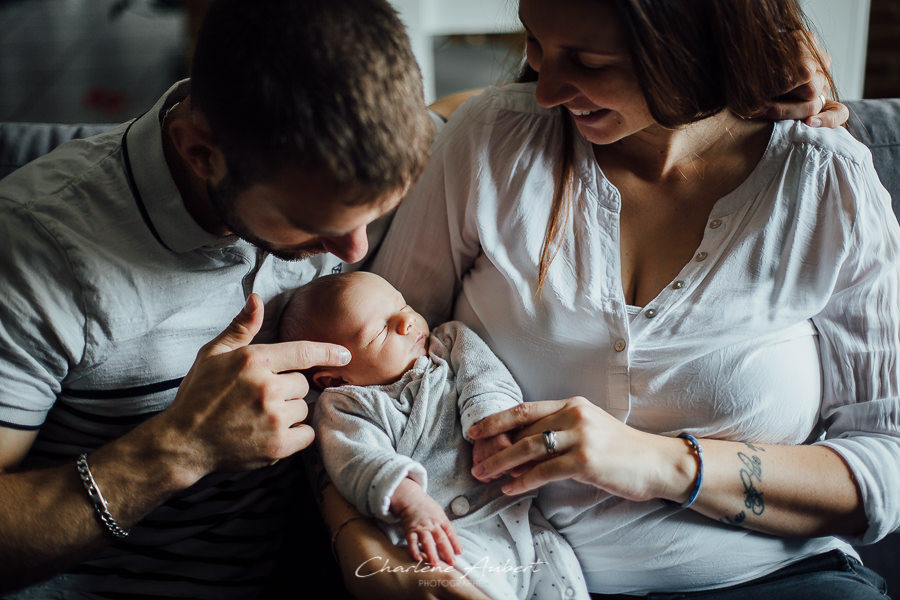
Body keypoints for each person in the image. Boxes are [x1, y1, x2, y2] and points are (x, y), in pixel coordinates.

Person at [332, 0, 896, 598]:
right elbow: (360, 379)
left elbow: (885, 467)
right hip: (509, 576)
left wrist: (660, 463)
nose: (547, 89)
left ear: (697, 45)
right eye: (536, 44)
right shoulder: (493, 142)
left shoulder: (826, 182)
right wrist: (371, 552)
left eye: (588, 61)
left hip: (778, 579)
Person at [0, 0, 435, 598]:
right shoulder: (35, 250)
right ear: (201, 153)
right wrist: (181, 446)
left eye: (375, 215)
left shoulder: (344, 161)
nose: (352, 249)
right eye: (311, 224)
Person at [280, 271, 590, 599]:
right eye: (381, 330)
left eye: (402, 304)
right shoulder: (346, 405)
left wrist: (490, 426)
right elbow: (357, 459)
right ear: (334, 380)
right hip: (449, 536)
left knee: (562, 576)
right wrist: (410, 501)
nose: (407, 321)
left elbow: (486, 376)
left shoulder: (449, 341)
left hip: (522, 518)